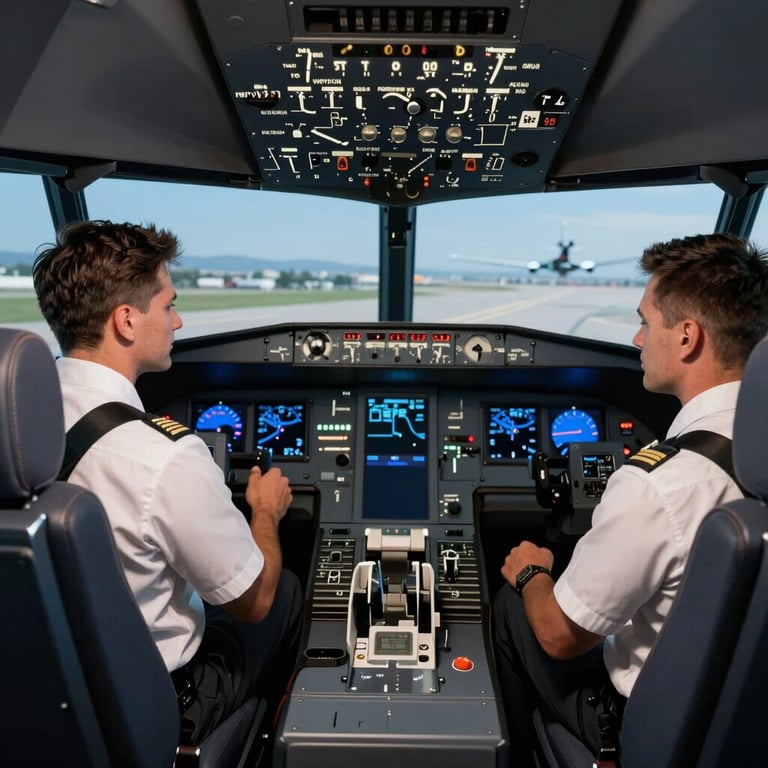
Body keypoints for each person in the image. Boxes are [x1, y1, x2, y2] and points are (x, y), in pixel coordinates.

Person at [493, 232, 768, 763]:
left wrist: (532, 572)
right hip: (746, 718)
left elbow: (559, 637)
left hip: (653, 724)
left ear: (687, 337)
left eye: (645, 321)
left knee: (516, 602)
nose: (638, 340)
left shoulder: (658, 484)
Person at [33, 220, 303, 745]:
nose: (178, 321)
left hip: (39, 685)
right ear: (127, 321)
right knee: (284, 590)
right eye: (168, 305)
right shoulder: (164, 455)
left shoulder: (17, 420)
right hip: (149, 701)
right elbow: (253, 602)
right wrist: (265, 514)